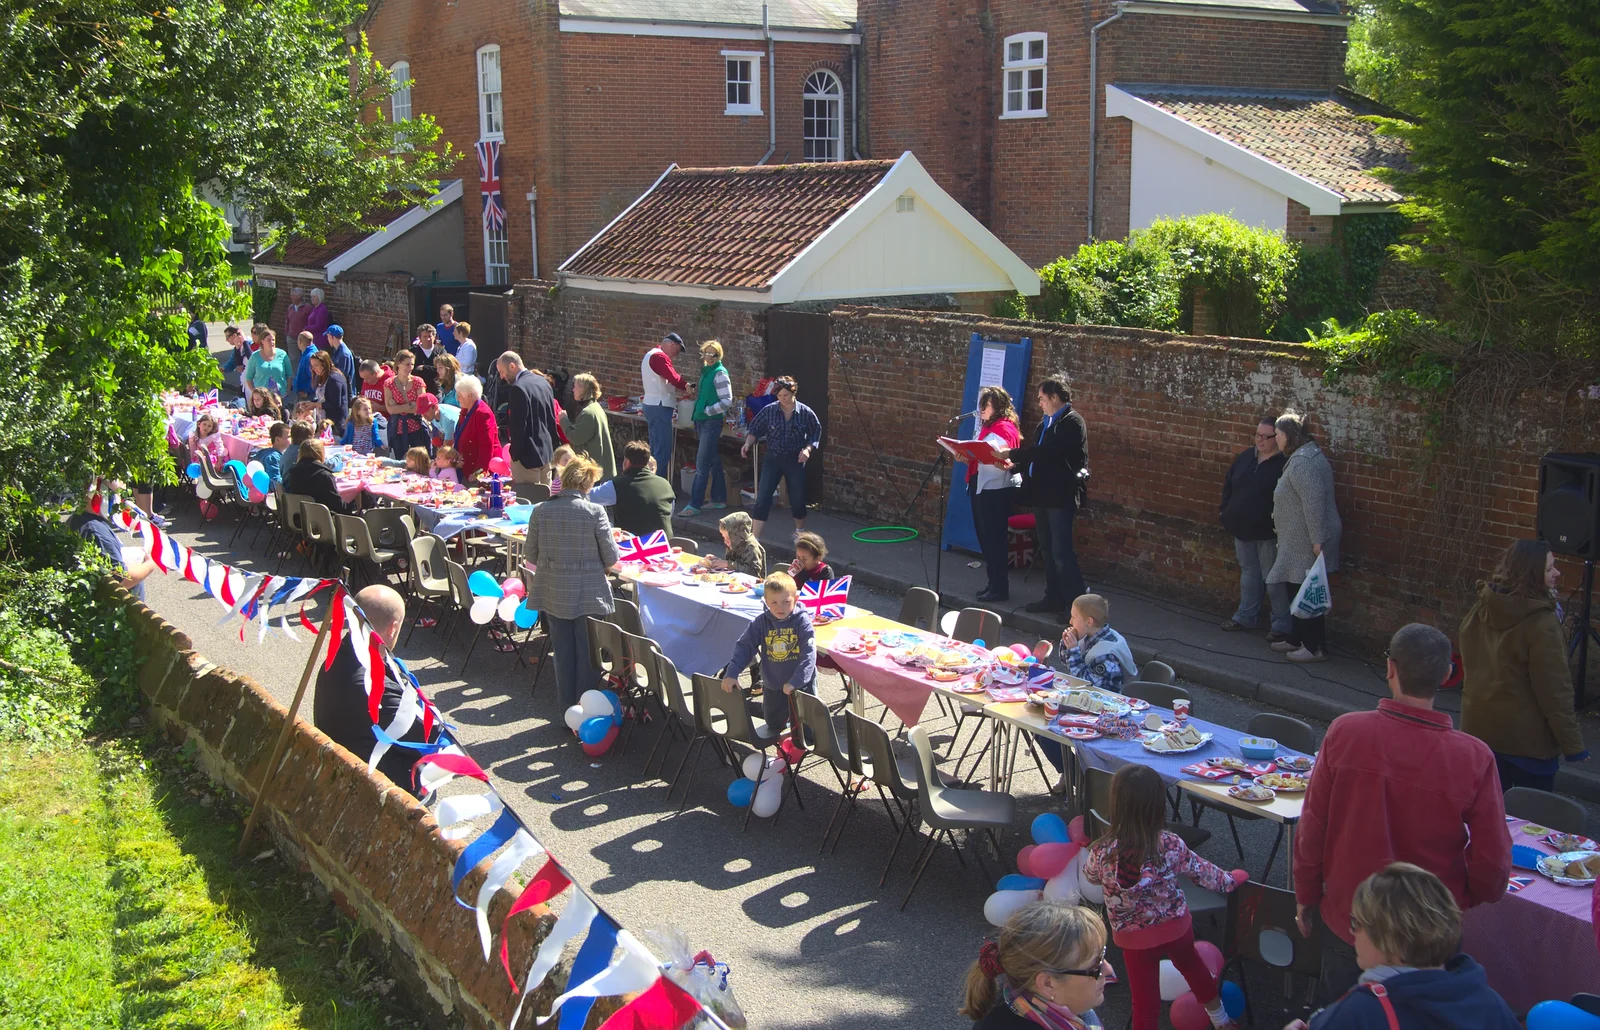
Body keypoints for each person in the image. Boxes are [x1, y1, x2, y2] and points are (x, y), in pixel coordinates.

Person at [1293, 623, 1511, 1001]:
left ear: (1390, 669)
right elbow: (1492, 862)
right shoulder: (1474, 757)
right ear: (1446, 676)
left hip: (1352, 921)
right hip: (1428, 930)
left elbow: (1312, 828)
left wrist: (1306, 893)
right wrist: (1460, 898)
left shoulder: (1345, 732)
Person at [1084, 765, 1245, 1030]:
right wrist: (1233, 879)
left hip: (1133, 938)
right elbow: (1206, 874)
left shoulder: (1103, 850)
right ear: (1158, 804)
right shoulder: (1170, 843)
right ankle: (1221, 1020)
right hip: (1175, 928)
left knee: (1144, 1004)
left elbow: (1090, 877)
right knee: (1194, 968)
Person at [1287, 863, 1518, 1030]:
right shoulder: (1491, 1004)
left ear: (1389, 939)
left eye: (1356, 923)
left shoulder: (1359, 1014)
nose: (1351, 931)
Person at [1459, 539, 1589, 791]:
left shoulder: (1482, 606)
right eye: (1549, 568)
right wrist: (1573, 746)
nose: (1557, 573)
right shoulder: (1542, 623)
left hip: (1479, 732)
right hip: (1528, 745)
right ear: (1532, 574)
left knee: (1490, 817)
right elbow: (1555, 690)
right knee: (1530, 823)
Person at [313, 584, 439, 795]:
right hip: (372, 787)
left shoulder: (338, 655)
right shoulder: (376, 688)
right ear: (393, 628)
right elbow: (431, 738)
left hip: (340, 763)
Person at [526, 457, 620, 711]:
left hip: (554, 590)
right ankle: (586, 707)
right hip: (589, 591)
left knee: (563, 653)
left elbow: (531, 555)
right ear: (586, 483)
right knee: (588, 654)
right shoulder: (594, 512)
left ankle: (568, 707)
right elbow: (611, 557)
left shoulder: (541, 510)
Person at [992, 372, 1088, 615]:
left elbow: (1048, 453)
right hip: (1041, 495)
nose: (1040, 403)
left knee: (1061, 552)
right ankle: (1053, 597)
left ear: (1055, 397)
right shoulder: (1044, 424)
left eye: (1042, 398)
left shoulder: (1072, 422)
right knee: (1046, 548)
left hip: (1059, 496)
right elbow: (1035, 456)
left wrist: (1012, 454)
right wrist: (1015, 465)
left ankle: (1075, 606)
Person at [959, 902, 1110, 1030]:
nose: (1109, 970)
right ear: (1048, 983)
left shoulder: (1025, 999)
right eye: (1095, 966)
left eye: (1103, 954)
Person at [1265, 410, 1341, 663]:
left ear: (1286, 435)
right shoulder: (1305, 455)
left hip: (1308, 541)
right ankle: (1296, 639)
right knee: (1294, 586)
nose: (1275, 439)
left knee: (1307, 590)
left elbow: (1314, 502)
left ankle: (1314, 647)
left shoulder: (1303, 463)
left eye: (1276, 435)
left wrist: (1318, 540)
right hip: (1298, 540)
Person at [721, 571, 817, 736]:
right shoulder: (761, 622)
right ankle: (782, 752)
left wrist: (796, 681)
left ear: (795, 599)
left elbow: (809, 655)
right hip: (773, 683)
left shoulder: (802, 621)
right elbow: (745, 646)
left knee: (806, 732)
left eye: (786, 602)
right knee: (773, 725)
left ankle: (798, 751)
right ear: (765, 601)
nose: (780, 607)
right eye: (774, 602)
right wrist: (732, 672)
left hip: (801, 686)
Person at [1219, 417, 1289, 638]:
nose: (1259, 440)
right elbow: (1229, 484)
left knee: (1273, 579)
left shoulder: (1284, 464)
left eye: (1265, 437)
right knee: (1249, 574)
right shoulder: (1246, 457)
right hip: (1242, 528)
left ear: (1277, 438)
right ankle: (1245, 616)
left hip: (1268, 533)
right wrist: (1226, 511)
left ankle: (1281, 625)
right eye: (1257, 435)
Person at [742, 376, 822, 540]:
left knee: (797, 497)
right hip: (773, 457)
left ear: (794, 393)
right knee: (763, 496)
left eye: (785, 395)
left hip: (795, 458)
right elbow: (755, 429)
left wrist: (807, 450)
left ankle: (799, 531)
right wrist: (748, 444)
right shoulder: (770, 410)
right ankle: (755, 538)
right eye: (779, 396)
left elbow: (815, 433)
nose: (782, 399)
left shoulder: (805, 413)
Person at [969, 385, 1023, 603]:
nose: (981, 409)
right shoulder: (988, 425)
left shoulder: (1004, 428)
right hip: (982, 485)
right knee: (986, 538)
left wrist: (980, 455)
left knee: (994, 539)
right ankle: (992, 583)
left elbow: (1002, 457)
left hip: (995, 489)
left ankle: (1000, 588)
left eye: (986, 405)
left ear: (997, 407)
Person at [70, 484, 158, 600]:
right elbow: (120, 580)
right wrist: (151, 563)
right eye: (115, 494)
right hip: (126, 611)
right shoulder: (95, 530)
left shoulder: (80, 519)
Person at [683, 340, 733, 517]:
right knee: (712, 460)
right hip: (702, 421)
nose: (710, 357)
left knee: (702, 463)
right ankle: (719, 499)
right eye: (707, 353)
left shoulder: (719, 373)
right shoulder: (707, 372)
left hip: (711, 422)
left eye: (714, 354)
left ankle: (694, 504)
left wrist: (708, 410)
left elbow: (727, 401)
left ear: (718, 356)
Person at [497, 351, 560, 486]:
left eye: (502, 371)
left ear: (512, 366)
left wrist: (515, 455)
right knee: (544, 501)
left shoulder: (518, 388)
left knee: (526, 503)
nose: (502, 377)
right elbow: (551, 419)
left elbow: (518, 426)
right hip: (546, 454)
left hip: (527, 458)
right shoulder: (544, 383)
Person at [1056, 594, 1137, 692]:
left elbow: (1087, 685)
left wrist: (1073, 651)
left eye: (1073, 617)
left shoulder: (1106, 655)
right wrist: (1067, 644)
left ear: (1089, 622)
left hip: (1103, 701)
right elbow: (1066, 661)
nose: (1070, 621)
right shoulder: (1087, 634)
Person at [641, 331, 691, 476]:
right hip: (659, 406)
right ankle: (656, 489)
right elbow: (673, 376)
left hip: (652, 404)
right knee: (662, 453)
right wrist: (686, 386)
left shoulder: (651, 354)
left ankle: (650, 485)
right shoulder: (660, 356)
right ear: (671, 344)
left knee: (655, 451)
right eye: (677, 350)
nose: (676, 354)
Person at [612, 440, 676, 539]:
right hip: (664, 544)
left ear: (627, 462)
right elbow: (668, 513)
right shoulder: (665, 484)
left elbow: (587, 498)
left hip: (634, 546)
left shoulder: (616, 484)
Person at [560, 373, 616, 482]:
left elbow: (576, 437)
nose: (573, 390)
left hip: (594, 472)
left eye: (575, 387)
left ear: (582, 389)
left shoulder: (588, 413)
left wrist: (563, 420)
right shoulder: (594, 407)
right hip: (598, 469)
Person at [451, 376, 501, 481]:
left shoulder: (482, 413)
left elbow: (486, 446)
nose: (457, 398)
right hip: (466, 465)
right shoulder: (466, 410)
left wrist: (479, 472)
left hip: (477, 471)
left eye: (459, 395)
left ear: (469, 396)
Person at [285, 439, 353, 513]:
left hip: (298, 516)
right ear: (321, 453)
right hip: (322, 519)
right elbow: (338, 506)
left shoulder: (292, 472)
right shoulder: (324, 476)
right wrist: (352, 500)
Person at [710, 511, 766, 578]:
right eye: (723, 537)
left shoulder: (752, 547)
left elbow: (752, 572)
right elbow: (730, 563)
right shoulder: (734, 544)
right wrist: (718, 561)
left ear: (738, 535)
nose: (725, 541)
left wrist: (727, 564)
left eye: (728, 537)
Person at [308, 351, 349, 437]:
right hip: (324, 421)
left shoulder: (334, 379)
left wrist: (316, 405)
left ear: (324, 364)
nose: (313, 369)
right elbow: (322, 397)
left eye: (316, 365)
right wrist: (310, 403)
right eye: (312, 365)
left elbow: (336, 404)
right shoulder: (322, 376)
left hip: (335, 424)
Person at [244, 328, 291, 396]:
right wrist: (255, 392)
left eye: (273, 340)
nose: (272, 342)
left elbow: (289, 374)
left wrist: (288, 389)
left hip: (280, 396)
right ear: (262, 341)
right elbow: (248, 378)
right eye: (269, 340)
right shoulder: (255, 356)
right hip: (262, 397)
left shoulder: (282, 354)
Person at [411, 322, 443, 392]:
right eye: (425, 336)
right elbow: (412, 370)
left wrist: (424, 367)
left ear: (434, 337)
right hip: (417, 389)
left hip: (436, 389)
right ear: (420, 338)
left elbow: (443, 369)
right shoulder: (413, 352)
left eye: (430, 336)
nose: (428, 339)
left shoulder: (441, 351)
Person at [284, 287, 311, 363]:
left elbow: (310, 322)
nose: (291, 297)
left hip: (303, 338)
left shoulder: (307, 308)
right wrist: (287, 334)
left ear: (299, 296)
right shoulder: (290, 307)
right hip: (291, 337)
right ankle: (295, 374)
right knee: (293, 359)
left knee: (305, 358)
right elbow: (287, 321)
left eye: (293, 295)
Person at [291, 330, 319, 403]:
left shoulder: (310, 356)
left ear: (300, 341)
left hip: (307, 396)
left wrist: (306, 391)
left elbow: (315, 376)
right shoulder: (309, 352)